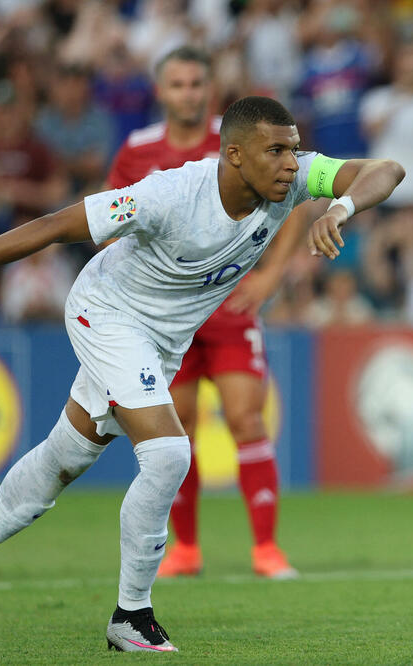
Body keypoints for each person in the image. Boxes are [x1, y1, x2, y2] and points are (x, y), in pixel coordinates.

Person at [0, 95, 404, 651]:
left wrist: (339, 208)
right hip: (105, 313)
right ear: (234, 155)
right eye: (275, 151)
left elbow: (385, 170)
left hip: (162, 340)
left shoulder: (292, 183)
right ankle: (132, 615)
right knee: (170, 453)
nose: (292, 164)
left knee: (67, 456)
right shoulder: (171, 195)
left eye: (294, 150)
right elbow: (60, 224)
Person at [108, 45, 298, 579]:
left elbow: (298, 200)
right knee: (180, 429)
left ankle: (266, 549)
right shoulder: (137, 149)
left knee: (244, 417)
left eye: (197, 84)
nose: (188, 94)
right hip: (167, 319)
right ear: (161, 91)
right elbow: (109, 219)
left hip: (228, 308)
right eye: (178, 85)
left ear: (210, 89)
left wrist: (270, 275)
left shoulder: (243, 140)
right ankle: (186, 549)